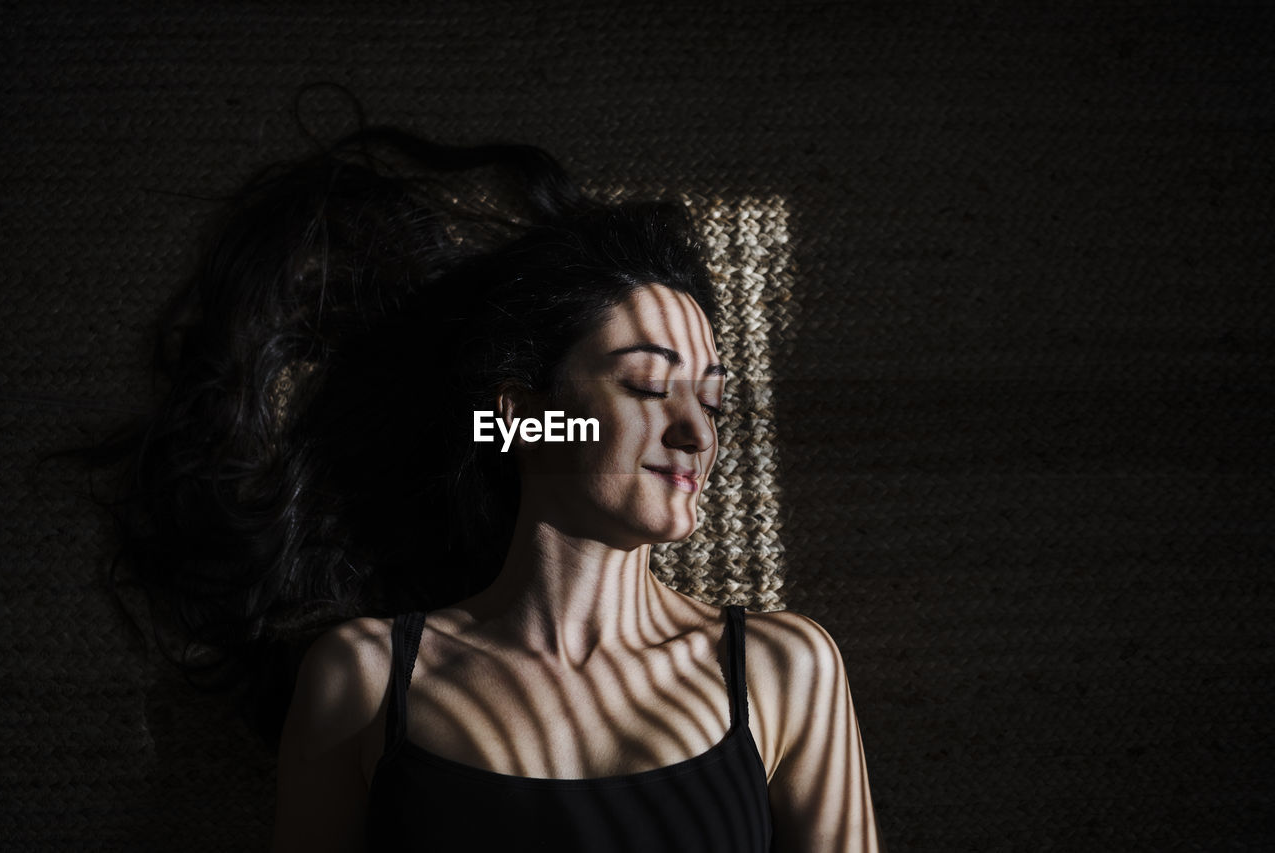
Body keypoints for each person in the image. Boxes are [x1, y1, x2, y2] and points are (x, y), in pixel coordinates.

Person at [91, 125, 882, 851]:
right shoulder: (366, 680)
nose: (697, 432)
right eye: (646, 387)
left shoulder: (783, 670)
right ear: (525, 415)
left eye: (710, 399)